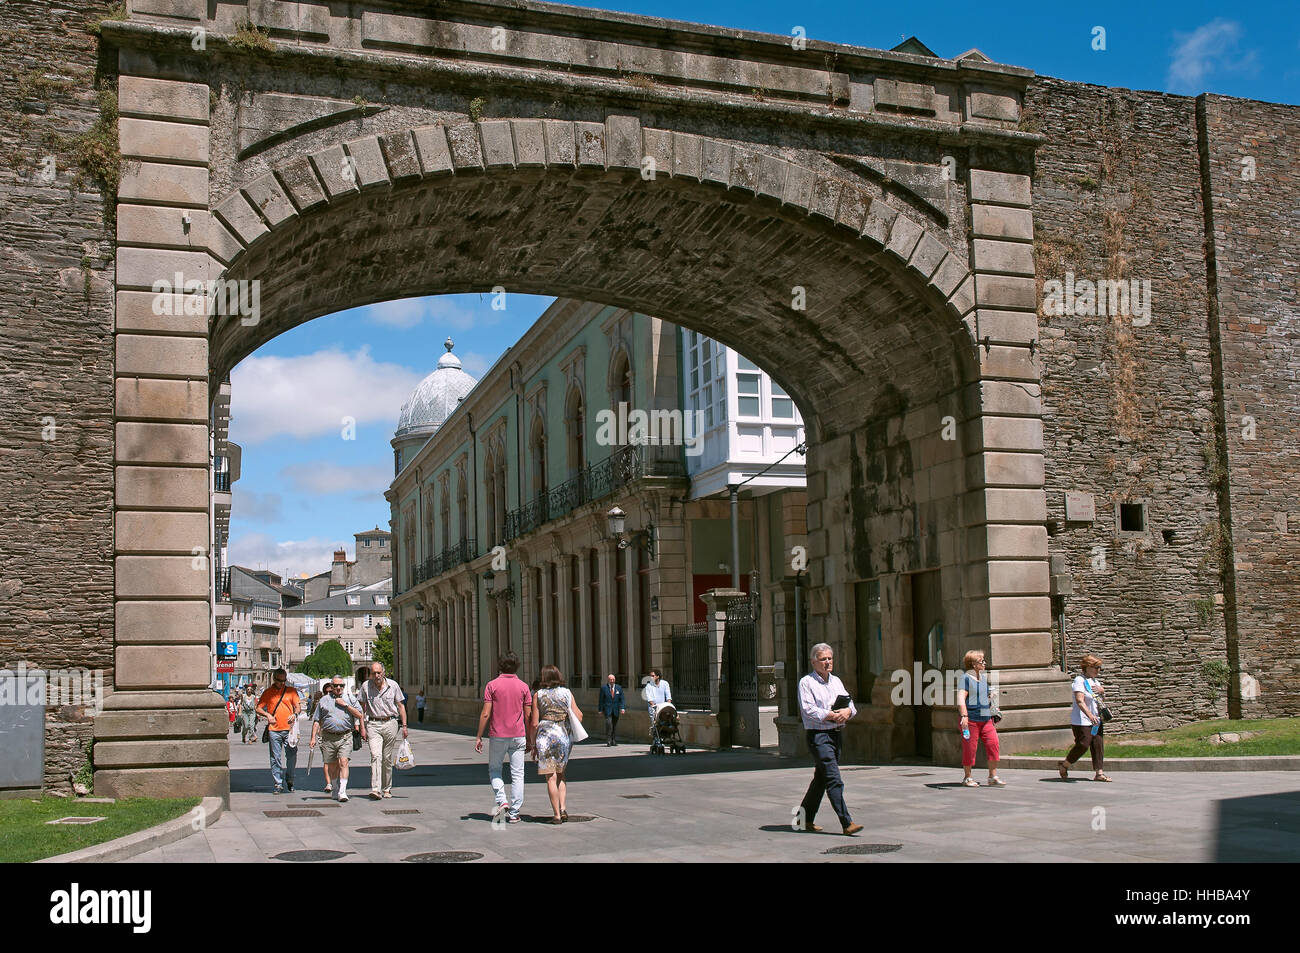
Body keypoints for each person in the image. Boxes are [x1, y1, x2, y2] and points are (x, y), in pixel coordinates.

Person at [796, 643, 862, 836]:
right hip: (819, 736)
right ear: (813, 661)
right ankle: (846, 822)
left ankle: (803, 819)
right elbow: (808, 711)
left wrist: (847, 711)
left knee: (821, 779)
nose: (827, 663)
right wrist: (832, 714)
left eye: (830, 659)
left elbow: (851, 705)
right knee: (833, 778)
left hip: (835, 735)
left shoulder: (836, 682)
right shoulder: (806, 683)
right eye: (823, 659)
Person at [474, 652, 533, 824]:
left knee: (494, 769)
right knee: (518, 774)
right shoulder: (523, 687)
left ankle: (502, 800)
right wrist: (530, 739)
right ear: (517, 667)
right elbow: (528, 716)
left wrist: (479, 736)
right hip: (518, 735)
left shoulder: (492, 685)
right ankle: (514, 813)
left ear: (500, 666)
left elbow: (486, 713)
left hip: (498, 735)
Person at [528, 665, 582, 824]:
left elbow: (534, 723)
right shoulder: (567, 692)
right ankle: (563, 808)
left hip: (545, 736)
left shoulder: (538, 695)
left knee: (550, 777)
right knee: (561, 774)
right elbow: (579, 716)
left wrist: (532, 743)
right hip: (562, 735)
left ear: (544, 678)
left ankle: (556, 815)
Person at [310, 676, 366, 802]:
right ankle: (335, 787)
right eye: (336, 686)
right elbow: (317, 720)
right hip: (328, 736)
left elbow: (359, 714)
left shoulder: (350, 699)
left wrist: (345, 705)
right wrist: (313, 737)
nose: (339, 688)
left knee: (343, 762)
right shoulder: (324, 700)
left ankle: (342, 791)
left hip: (345, 735)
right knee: (332, 765)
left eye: (341, 685)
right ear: (331, 686)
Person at [357, 661, 408, 799]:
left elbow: (401, 706)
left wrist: (404, 726)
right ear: (370, 674)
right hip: (373, 724)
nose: (377, 675)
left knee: (386, 758)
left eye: (379, 672)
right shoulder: (365, 686)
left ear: (383, 672)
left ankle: (387, 788)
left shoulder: (393, 685)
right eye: (374, 673)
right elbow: (360, 708)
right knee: (376, 755)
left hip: (390, 722)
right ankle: (375, 789)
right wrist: (361, 726)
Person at [1059, 654, 1111, 781]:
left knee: (1098, 745)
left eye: (1099, 668)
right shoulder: (1079, 680)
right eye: (1095, 667)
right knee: (1083, 744)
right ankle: (1065, 764)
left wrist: (1102, 691)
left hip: (1096, 719)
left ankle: (1099, 773)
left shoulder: (1095, 682)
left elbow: (1098, 700)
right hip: (1082, 720)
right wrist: (1089, 715)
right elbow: (1079, 700)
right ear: (1087, 667)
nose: (1098, 670)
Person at [957, 650, 1004, 787]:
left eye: (984, 660)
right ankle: (968, 777)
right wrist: (964, 716)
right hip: (970, 719)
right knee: (970, 748)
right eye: (981, 661)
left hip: (986, 719)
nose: (984, 663)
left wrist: (993, 704)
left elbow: (983, 697)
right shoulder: (965, 678)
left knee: (993, 744)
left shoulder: (982, 678)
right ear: (972, 664)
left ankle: (992, 776)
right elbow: (961, 698)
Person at [257, 668, 302, 795]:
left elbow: (298, 706)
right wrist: (268, 715)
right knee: (275, 757)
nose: (282, 683)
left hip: (289, 729)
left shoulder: (291, 691)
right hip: (274, 729)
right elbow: (258, 708)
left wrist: (294, 713)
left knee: (292, 756)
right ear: (274, 679)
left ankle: (290, 778)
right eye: (279, 680)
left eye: (284, 680)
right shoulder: (268, 692)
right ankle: (278, 783)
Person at [597, 673, 626, 746]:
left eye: (613, 679)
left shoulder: (619, 688)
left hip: (616, 709)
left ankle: (614, 740)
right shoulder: (604, 688)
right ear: (608, 680)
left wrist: (622, 708)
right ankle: (608, 740)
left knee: (614, 725)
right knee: (609, 724)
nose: (612, 681)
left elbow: (622, 699)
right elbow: (601, 699)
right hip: (607, 709)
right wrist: (600, 709)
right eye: (610, 679)